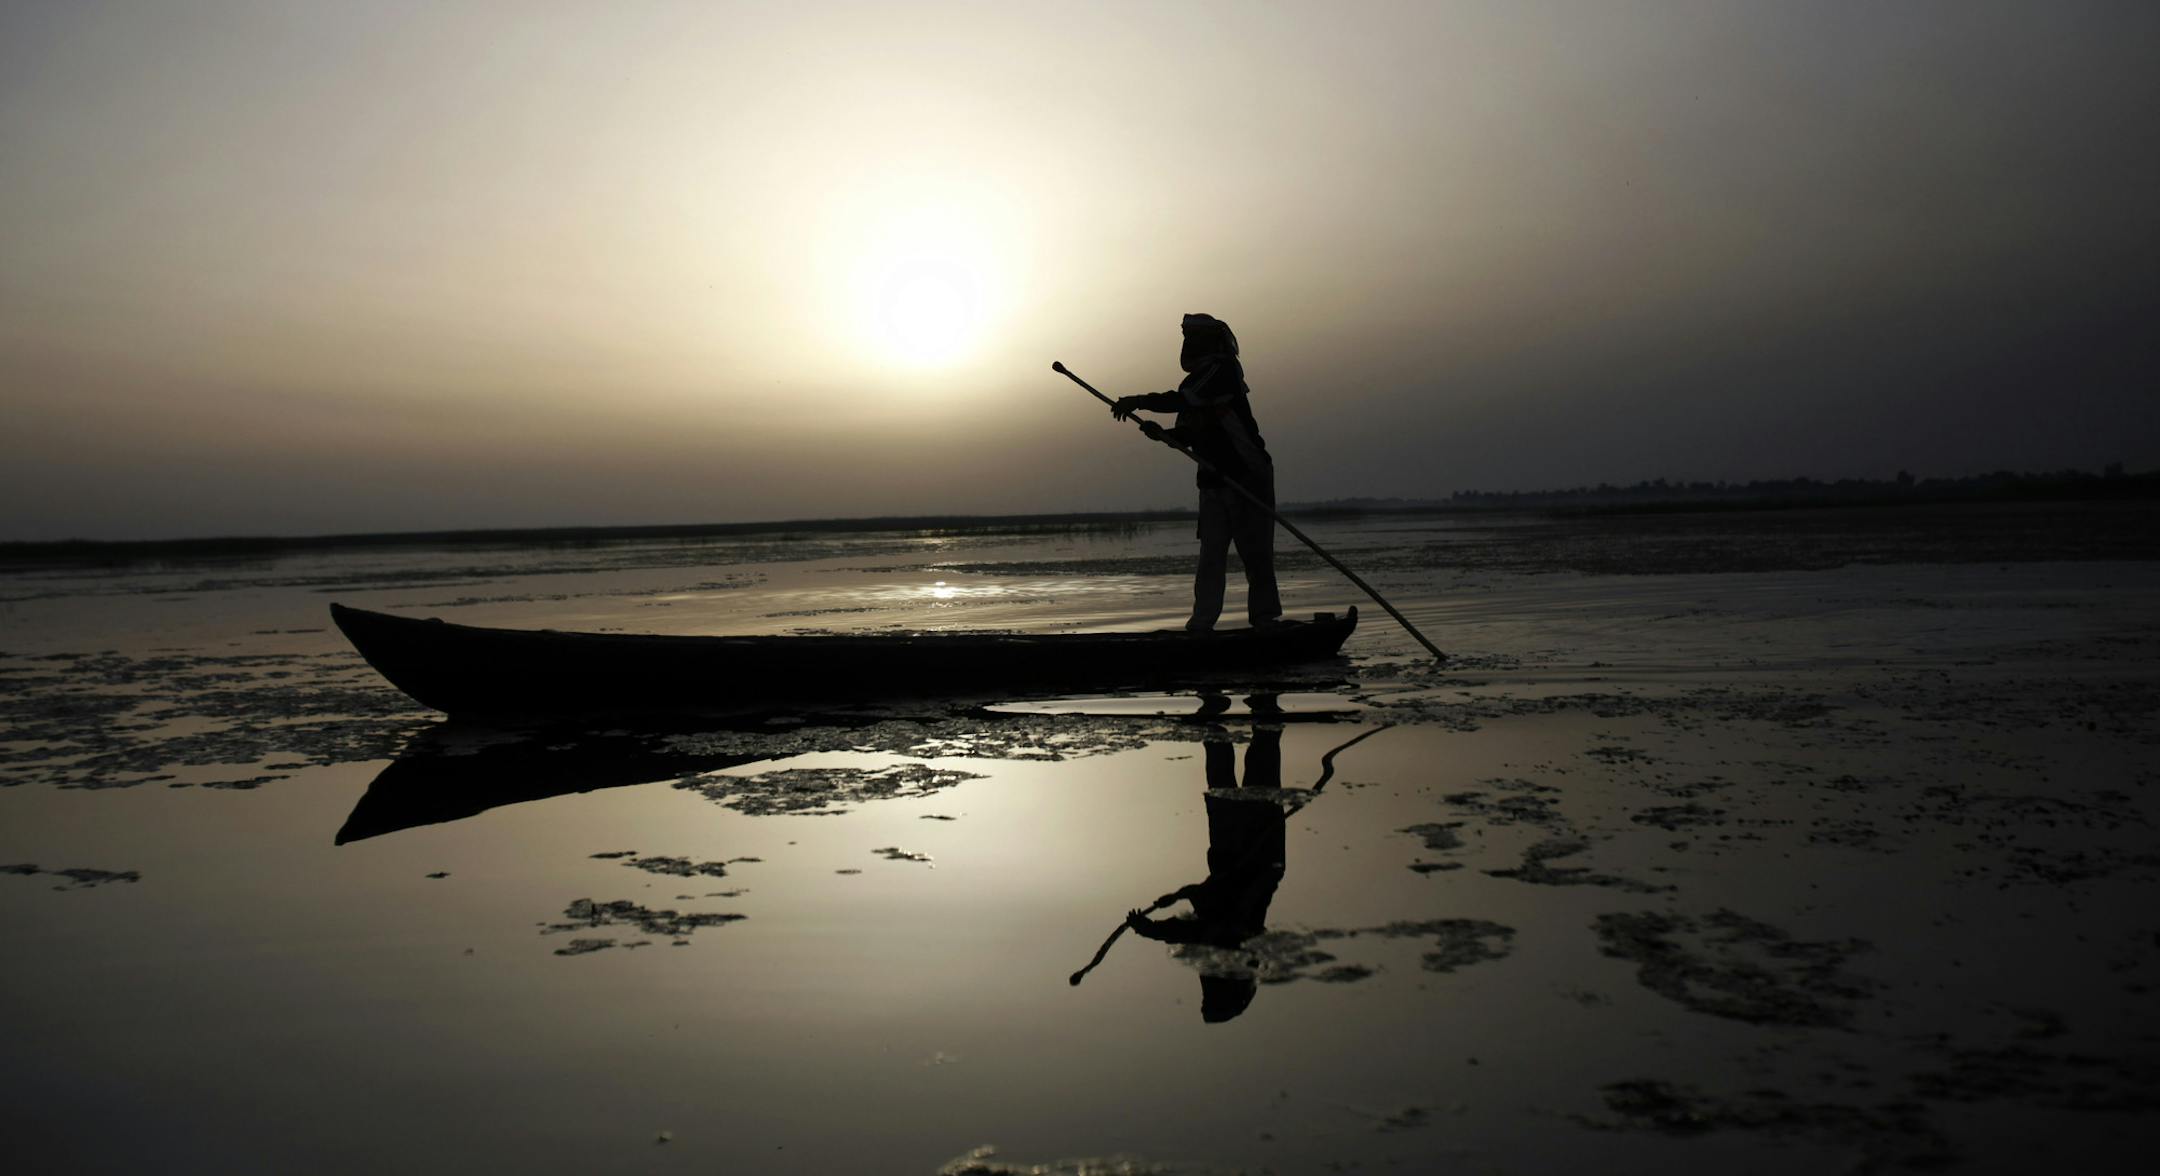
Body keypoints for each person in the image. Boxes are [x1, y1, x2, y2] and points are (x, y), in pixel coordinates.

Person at [1111, 314, 1281, 632]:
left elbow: (1180, 402)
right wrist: (1159, 433)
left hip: (1247, 475)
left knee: (1255, 554)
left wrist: (1139, 401)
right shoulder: (1193, 383)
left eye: (1195, 338)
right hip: (1213, 481)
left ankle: (1265, 619)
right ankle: (1202, 624)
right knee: (1211, 557)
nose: (1189, 344)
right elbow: (1187, 435)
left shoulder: (1223, 372)